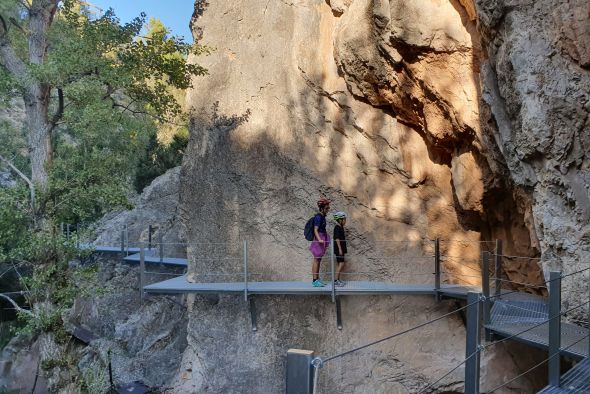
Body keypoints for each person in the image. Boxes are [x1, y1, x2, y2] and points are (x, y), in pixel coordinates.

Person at [310, 198, 330, 287]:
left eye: (328, 208)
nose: (328, 210)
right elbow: (315, 230)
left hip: (322, 238)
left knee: (319, 260)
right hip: (319, 240)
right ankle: (314, 280)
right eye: (326, 208)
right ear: (321, 208)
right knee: (316, 260)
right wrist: (320, 239)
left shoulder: (322, 217)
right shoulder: (318, 217)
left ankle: (317, 279)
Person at [333, 212, 347, 287]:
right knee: (341, 264)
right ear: (340, 220)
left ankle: (338, 279)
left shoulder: (340, 227)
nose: (345, 221)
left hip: (341, 249)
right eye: (344, 219)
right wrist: (340, 249)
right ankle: (335, 280)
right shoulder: (337, 228)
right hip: (339, 250)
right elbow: (337, 239)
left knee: (339, 264)